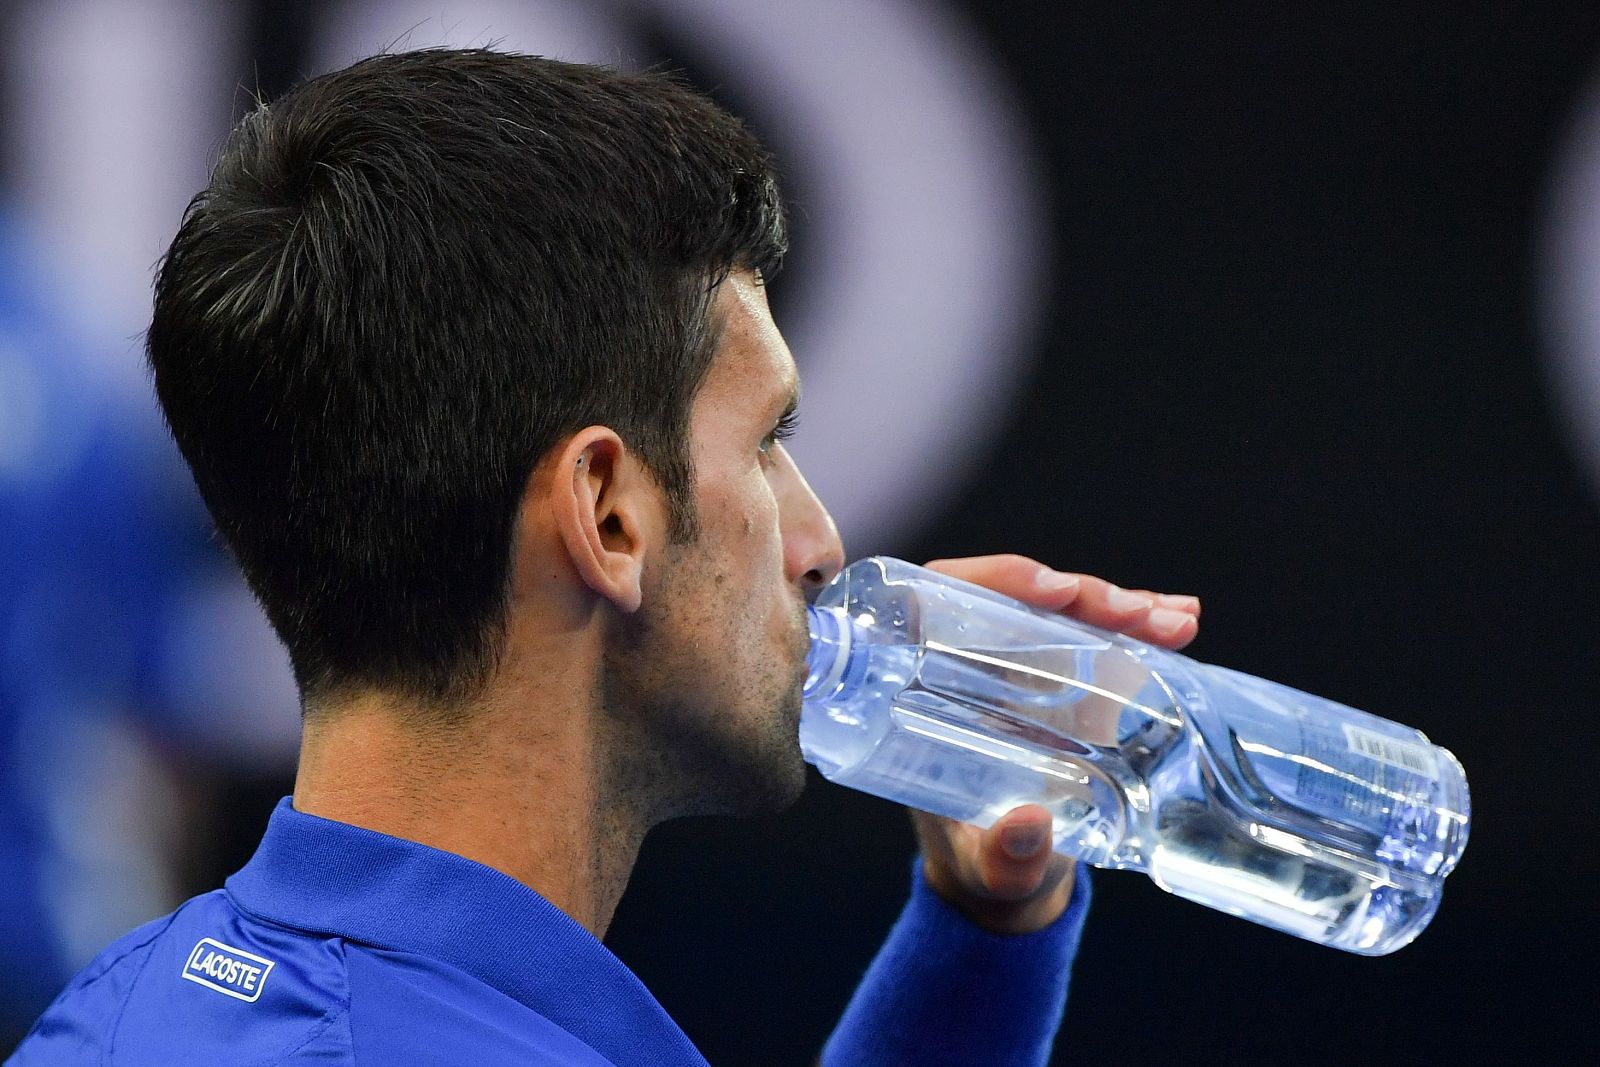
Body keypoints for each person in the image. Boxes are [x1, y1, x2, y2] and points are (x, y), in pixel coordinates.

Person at [7, 49, 1200, 1066]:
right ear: (608, 514)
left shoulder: (107, 1013)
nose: (821, 543)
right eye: (770, 441)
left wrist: (981, 930)